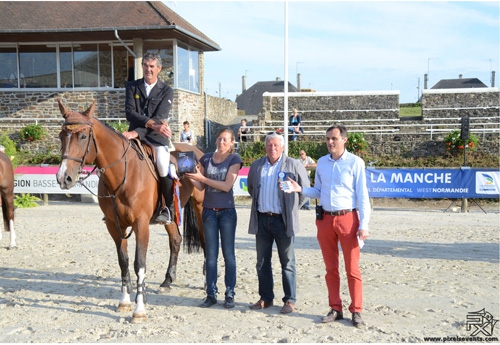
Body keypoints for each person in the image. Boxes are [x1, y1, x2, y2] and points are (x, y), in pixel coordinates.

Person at [286, 124, 371, 328]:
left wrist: (364, 224)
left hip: (348, 219)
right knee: (330, 268)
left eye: (333, 138)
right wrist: (300, 189)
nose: (330, 142)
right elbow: (318, 191)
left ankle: (356, 311)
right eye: (327, 139)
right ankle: (335, 308)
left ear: (344, 140)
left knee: (352, 269)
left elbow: (362, 195)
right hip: (325, 219)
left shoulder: (355, 162)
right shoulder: (322, 163)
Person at [247, 132, 310, 314]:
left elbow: (304, 190)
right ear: (265, 146)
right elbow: (252, 188)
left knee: (287, 262)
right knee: (262, 262)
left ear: (282, 147)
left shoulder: (293, 164)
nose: (272, 148)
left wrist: (292, 208)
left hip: (283, 221)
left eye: (276, 145)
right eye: (269, 145)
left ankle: (289, 300)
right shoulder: (257, 165)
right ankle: (266, 298)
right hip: (262, 219)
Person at [185, 128, 242, 309]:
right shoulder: (206, 158)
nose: (221, 142)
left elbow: (226, 186)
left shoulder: (234, 160)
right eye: (219, 139)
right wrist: (190, 176)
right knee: (211, 256)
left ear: (232, 142)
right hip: (209, 212)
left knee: (229, 255)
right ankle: (211, 294)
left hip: (227, 212)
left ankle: (230, 293)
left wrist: (203, 178)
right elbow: (200, 186)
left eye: (225, 140)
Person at [122, 52, 175, 224]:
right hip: (134, 136)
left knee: (162, 164)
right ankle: (116, 203)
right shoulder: (132, 86)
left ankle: (167, 208)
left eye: (152, 66)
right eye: (145, 65)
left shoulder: (167, 91)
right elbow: (130, 113)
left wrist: (138, 132)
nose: (148, 69)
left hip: (156, 138)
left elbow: (160, 118)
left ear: (159, 69)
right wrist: (147, 128)